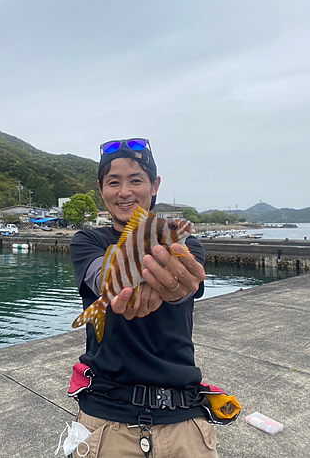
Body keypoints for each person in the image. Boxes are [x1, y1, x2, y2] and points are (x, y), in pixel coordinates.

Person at [69, 138, 218, 457]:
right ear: (101, 188)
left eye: (136, 180)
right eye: (114, 182)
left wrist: (173, 288)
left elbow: (183, 287)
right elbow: (100, 274)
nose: (125, 192)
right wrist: (119, 279)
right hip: (104, 417)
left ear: (154, 186)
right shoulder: (87, 241)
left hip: (183, 417)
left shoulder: (188, 245)